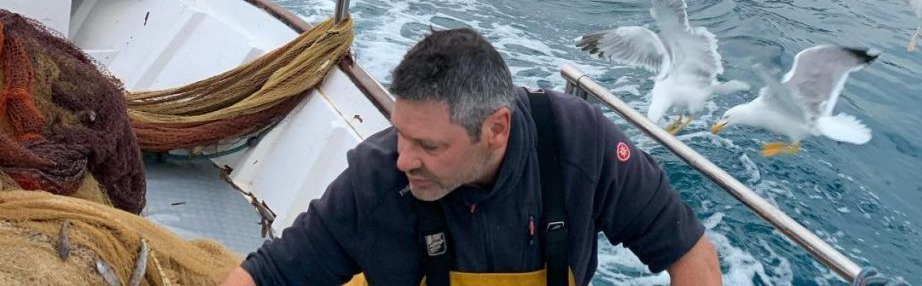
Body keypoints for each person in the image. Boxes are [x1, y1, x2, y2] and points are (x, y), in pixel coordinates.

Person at [219, 27, 721, 286]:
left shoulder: (577, 143)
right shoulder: (376, 179)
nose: (404, 160)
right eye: (401, 135)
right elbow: (269, 277)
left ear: (496, 129)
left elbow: (691, 255)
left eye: (429, 146)